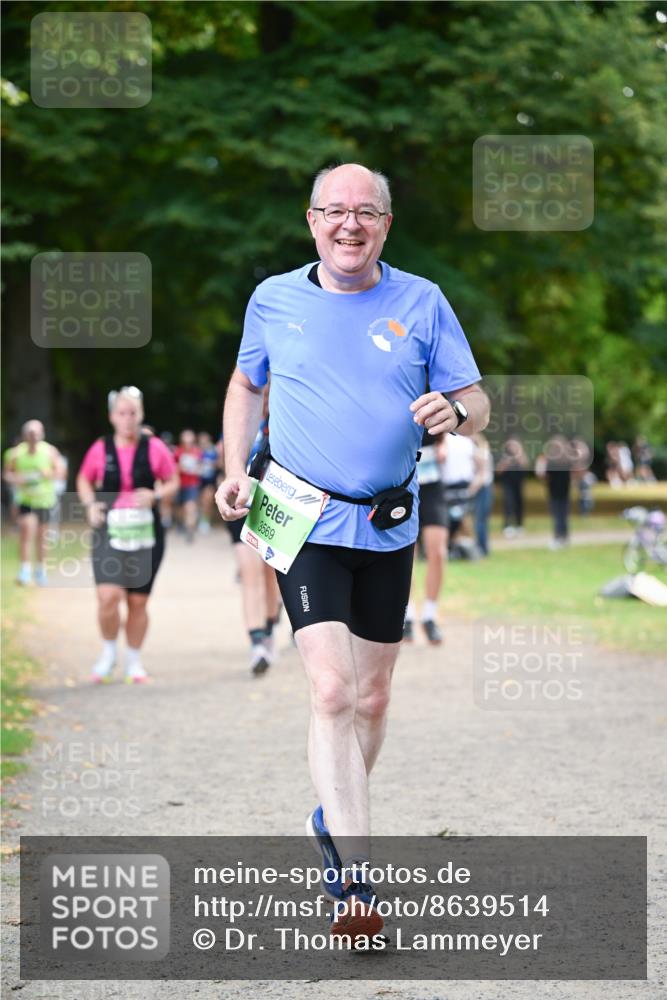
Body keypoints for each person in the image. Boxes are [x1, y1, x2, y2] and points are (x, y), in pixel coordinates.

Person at [215, 163, 489, 943]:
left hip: (388, 523)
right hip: (298, 517)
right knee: (331, 691)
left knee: (371, 701)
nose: (349, 226)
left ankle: (328, 815)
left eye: (365, 213)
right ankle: (353, 880)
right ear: (311, 220)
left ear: (385, 225)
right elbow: (244, 386)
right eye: (334, 212)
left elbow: (477, 401)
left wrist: (457, 410)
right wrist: (236, 470)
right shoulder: (273, 299)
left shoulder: (422, 301)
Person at [76, 387, 178, 683]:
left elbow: (172, 480)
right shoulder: (101, 448)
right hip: (109, 529)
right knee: (108, 596)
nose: (128, 419)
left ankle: (133, 660)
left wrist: (156, 494)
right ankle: (108, 653)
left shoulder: (154, 447)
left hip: (146, 532)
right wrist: (89, 505)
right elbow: (84, 478)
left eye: (133, 413)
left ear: (141, 415)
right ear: (112, 417)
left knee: (137, 602)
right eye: (122, 413)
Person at [219, 392, 283, 676]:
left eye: (269, 394)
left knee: (270, 574)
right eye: (261, 393)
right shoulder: (238, 422)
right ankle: (256, 642)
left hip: (273, 506)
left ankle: (269, 627)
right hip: (242, 504)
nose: (264, 399)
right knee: (250, 572)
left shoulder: (283, 422)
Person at [4, 420, 66, 585]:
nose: (34, 436)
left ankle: (40, 570)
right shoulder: (15, 453)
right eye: (31, 433)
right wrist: (17, 479)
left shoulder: (50, 451)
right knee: (26, 531)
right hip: (26, 500)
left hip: (45, 501)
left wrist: (49, 473)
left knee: (42, 537)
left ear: (42, 434)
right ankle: (24, 570)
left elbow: (60, 472)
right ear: (25, 435)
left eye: (37, 433)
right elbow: (7, 474)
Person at [403, 429, 448, 645]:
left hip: (431, 487)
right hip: (403, 487)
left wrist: (444, 444)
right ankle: (407, 615)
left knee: (438, 551)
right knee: (406, 555)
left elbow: (449, 425)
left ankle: (430, 616)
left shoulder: (433, 396)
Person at [535, 435, 572, 549]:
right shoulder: (565, 460)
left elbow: (542, 475)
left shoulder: (551, 460)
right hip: (561, 491)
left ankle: (558, 538)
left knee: (558, 515)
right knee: (562, 515)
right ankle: (563, 537)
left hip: (557, 491)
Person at [173, 430, 203, 542]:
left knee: (190, 506)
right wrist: (180, 468)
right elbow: (172, 468)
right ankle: (181, 524)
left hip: (192, 484)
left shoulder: (197, 452)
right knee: (180, 508)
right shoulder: (177, 451)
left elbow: (201, 468)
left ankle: (190, 530)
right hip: (179, 484)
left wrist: (196, 470)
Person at [496, 438, 529, 537]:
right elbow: (498, 471)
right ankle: (507, 526)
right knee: (508, 504)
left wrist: (519, 453)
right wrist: (506, 462)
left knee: (520, 504)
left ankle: (519, 525)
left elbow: (525, 464)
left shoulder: (520, 455)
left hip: (519, 484)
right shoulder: (504, 456)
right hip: (507, 485)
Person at [472, 432, 494, 556]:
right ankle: (482, 547)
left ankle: (482, 548)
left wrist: (471, 489)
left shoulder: (481, 453)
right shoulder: (484, 452)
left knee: (480, 520)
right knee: (481, 520)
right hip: (484, 487)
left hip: (483, 488)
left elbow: (482, 475)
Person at [197, 432, 220, 535]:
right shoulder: (197, 450)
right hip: (197, 480)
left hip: (210, 480)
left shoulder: (214, 450)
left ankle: (205, 521)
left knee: (207, 501)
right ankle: (197, 519)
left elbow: (219, 464)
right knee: (199, 501)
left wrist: (211, 464)